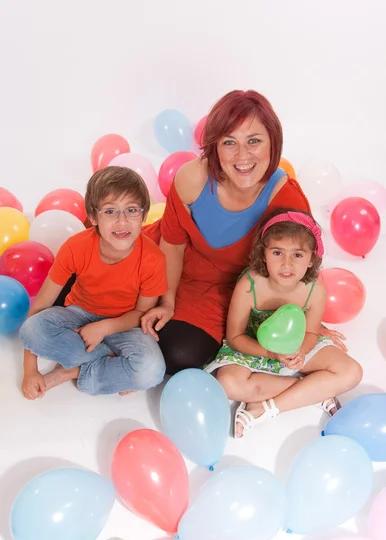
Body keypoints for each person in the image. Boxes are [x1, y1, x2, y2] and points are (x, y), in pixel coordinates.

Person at [140, 89, 346, 373]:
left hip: (222, 292)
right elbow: (172, 244)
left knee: (180, 355)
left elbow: (299, 261)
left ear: (273, 143)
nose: (242, 155)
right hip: (168, 264)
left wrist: (310, 324)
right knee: (89, 288)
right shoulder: (191, 178)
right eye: (229, 142)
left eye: (254, 141)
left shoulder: (286, 197)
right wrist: (167, 301)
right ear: (214, 146)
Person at [204, 208, 363, 438]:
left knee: (351, 372)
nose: (287, 264)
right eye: (277, 253)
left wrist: (301, 351)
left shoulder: (314, 289)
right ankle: (315, 392)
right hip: (255, 345)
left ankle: (265, 407)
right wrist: (269, 352)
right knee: (228, 385)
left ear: (311, 259)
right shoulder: (251, 284)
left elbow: (310, 332)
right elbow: (236, 337)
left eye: (297, 255)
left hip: (295, 344)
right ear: (263, 254)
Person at [19, 166, 167, 399]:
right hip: (78, 315)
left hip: (125, 324)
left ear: (144, 215)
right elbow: (39, 308)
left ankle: (71, 372)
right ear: (93, 216)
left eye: (131, 210)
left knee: (152, 370)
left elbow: (141, 312)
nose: (122, 221)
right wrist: (30, 370)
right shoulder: (75, 247)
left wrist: (104, 328)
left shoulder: (153, 259)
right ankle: (111, 364)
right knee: (31, 329)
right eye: (110, 211)